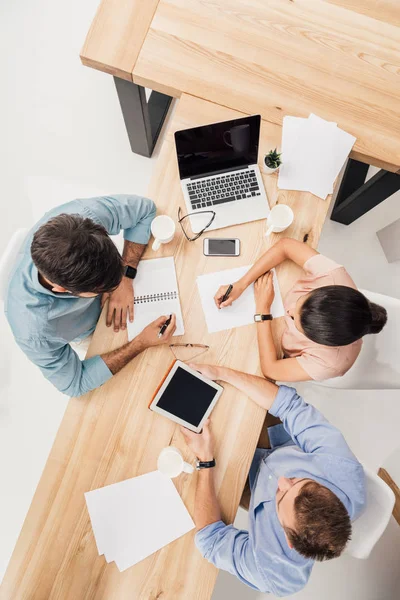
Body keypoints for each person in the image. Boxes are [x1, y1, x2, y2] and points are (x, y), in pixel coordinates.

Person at [181, 364, 366, 596]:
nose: (281, 482)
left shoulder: (274, 572)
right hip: (279, 442)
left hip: (251, 485)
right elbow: (288, 405)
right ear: (329, 490)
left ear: (288, 539)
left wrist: (205, 460)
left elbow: (210, 539)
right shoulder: (342, 471)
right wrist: (221, 373)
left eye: (280, 497)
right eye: (298, 480)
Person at [5, 195, 176, 397]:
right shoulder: (35, 331)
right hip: (87, 331)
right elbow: (74, 384)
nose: (110, 290)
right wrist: (140, 343)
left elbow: (145, 210)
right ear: (63, 290)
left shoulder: (85, 218)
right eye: (102, 288)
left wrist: (126, 275)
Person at [214, 238, 387, 381]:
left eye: (296, 322)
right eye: (300, 303)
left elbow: (271, 370)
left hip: (271, 336)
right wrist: (241, 283)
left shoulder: (331, 363)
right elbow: (285, 246)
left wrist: (263, 310)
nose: (289, 311)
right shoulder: (333, 276)